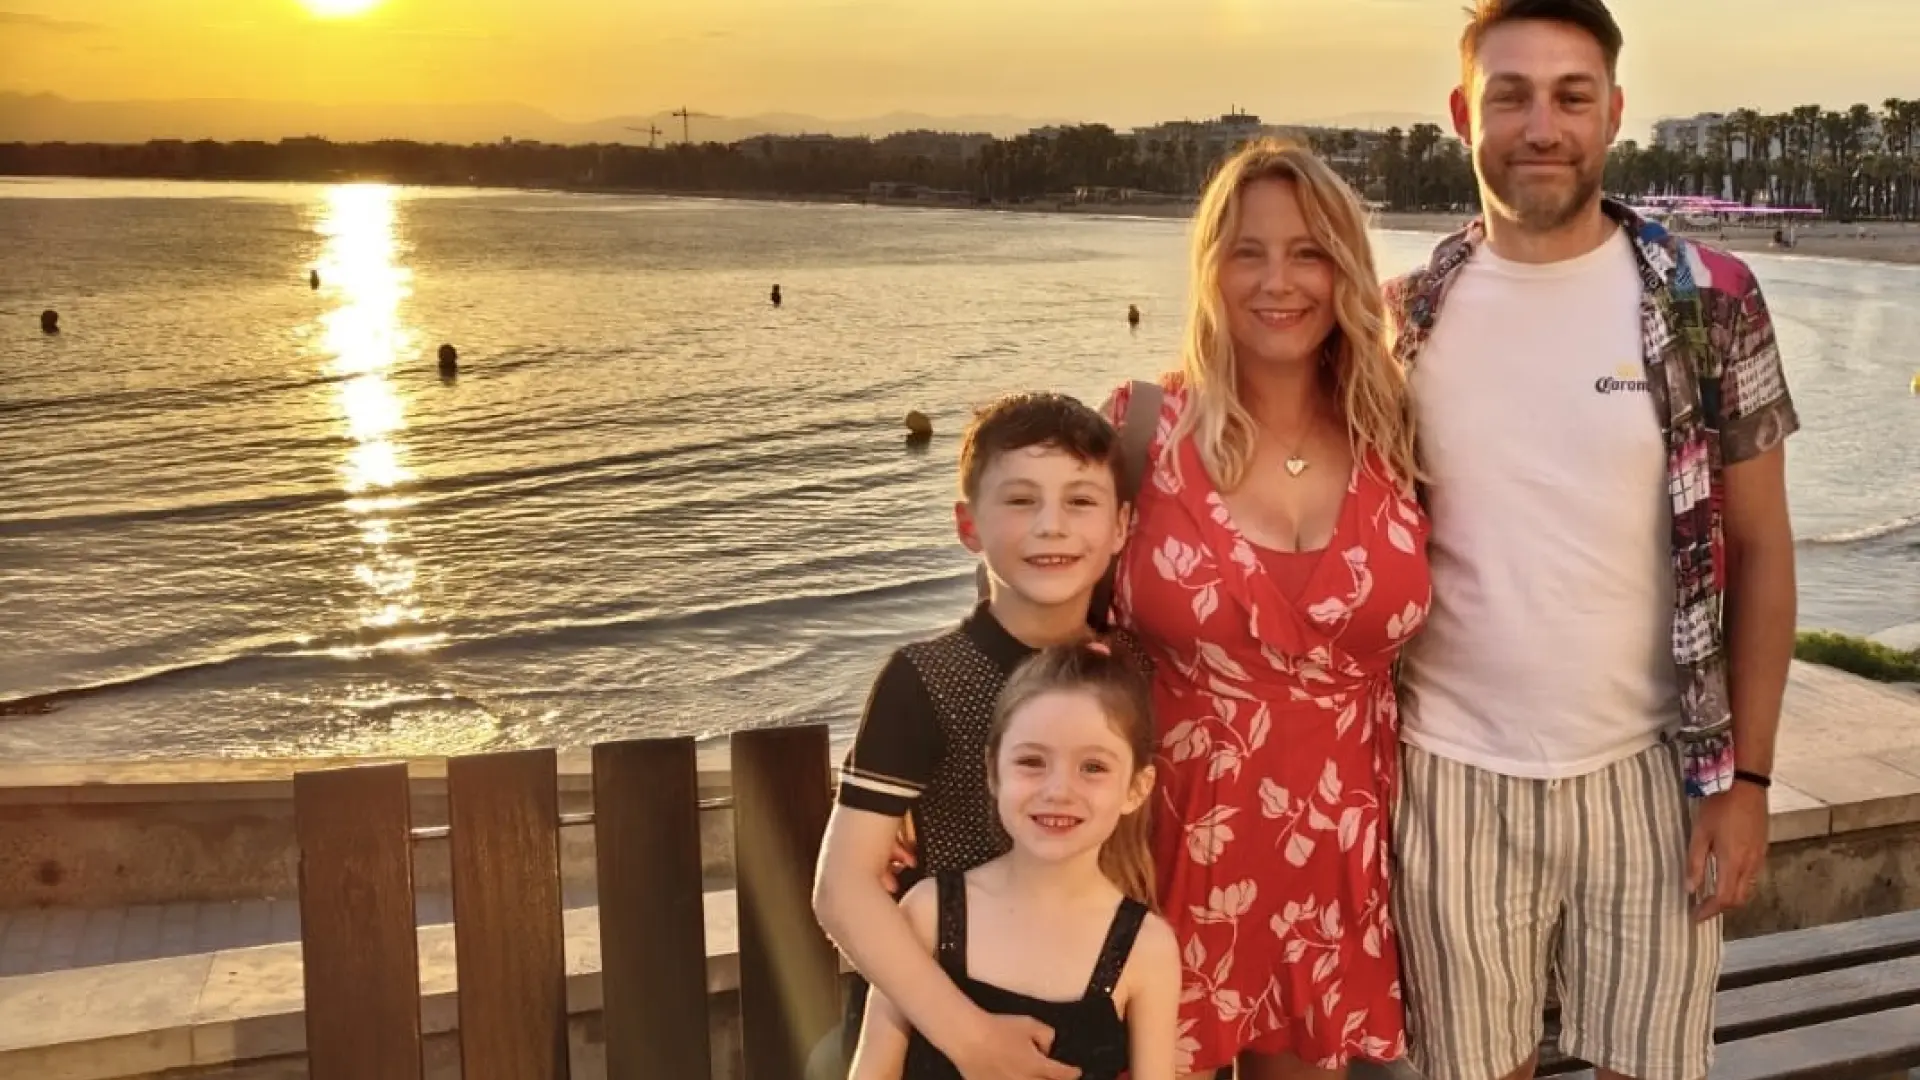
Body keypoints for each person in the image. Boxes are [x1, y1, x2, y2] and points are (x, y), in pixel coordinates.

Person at [1382, 3, 1800, 1079]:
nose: (1542, 126)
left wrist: (1749, 779)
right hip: (1449, 773)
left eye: (1572, 97)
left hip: (1656, 773)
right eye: (1511, 96)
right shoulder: (1402, 319)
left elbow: (1762, 549)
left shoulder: (1710, 300)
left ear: (1612, 113)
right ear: (1463, 113)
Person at [1103, 138, 1431, 1078]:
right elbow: (1041, 622)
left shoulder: (1395, 432)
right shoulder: (1140, 430)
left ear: (1345, 271)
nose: (1278, 281)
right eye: (1248, 252)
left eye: (1308, 253)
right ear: (1211, 269)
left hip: (1338, 861)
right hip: (1167, 853)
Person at [815, 392, 1152, 1080]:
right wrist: (971, 1039)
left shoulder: (1134, 669)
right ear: (968, 525)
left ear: (1121, 525)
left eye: (1080, 502)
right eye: (1021, 501)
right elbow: (842, 888)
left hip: (1089, 1009)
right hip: (937, 1020)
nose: (1052, 526)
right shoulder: (925, 678)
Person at [850, 642, 1182, 1080]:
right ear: (993, 771)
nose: (1058, 790)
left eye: (1093, 767)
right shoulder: (928, 912)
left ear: (1137, 788)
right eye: (1031, 761)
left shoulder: (1147, 947)